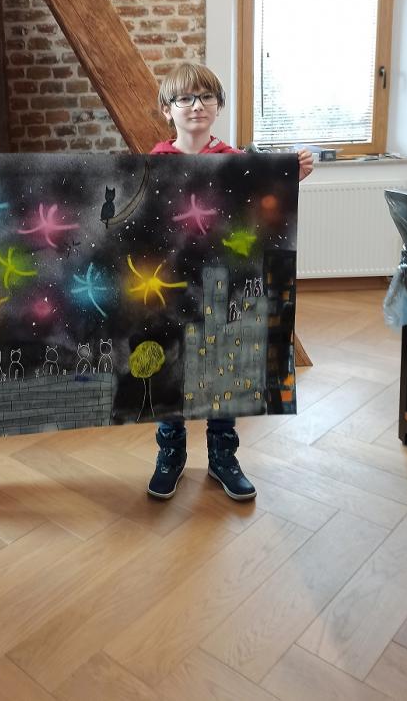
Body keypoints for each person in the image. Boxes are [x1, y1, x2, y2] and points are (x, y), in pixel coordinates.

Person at [147, 62, 313, 502]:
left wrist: (289, 176)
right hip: (171, 286)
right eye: (185, 98)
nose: (196, 106)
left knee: (223, 365)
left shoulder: (238, 163)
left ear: (218, 106)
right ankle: (170, 454)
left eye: (205, 97)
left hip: (225, 283)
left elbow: (264, 211)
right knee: (171, 369)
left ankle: (223, 457)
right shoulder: (153, 163)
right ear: (167, 109)